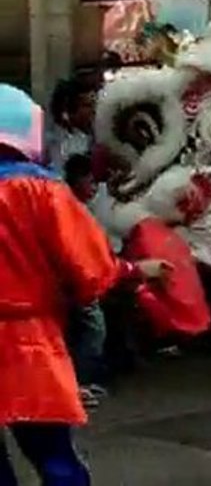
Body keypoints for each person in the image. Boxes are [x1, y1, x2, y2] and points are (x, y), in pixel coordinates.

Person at [0, 83, 169, 486]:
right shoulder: (41, 190)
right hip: (29, 342)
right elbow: (89, 267)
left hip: (27, 333)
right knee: (57, 461)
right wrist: (134, 271)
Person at [63, 154, 110, 409]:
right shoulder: (66, 207)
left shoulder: (82, 207)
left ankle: (83, 380)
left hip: (85, 278)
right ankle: (79, 382)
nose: (93, 187)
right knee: (93, 327)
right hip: (77, 279)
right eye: (89, 181)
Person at [46, 79, 96, 173]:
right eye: (87, 105)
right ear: (67, 108)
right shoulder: (48, 142)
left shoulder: (91, 138)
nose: (92, 111)